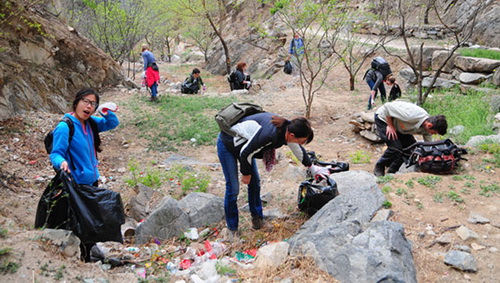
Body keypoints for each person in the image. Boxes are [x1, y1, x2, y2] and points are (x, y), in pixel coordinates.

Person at [217, 113, 330, 240]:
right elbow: (246, 153)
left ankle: (257, 219)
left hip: (245, 145)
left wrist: (312, 168)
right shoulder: (270, 135)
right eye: (302, 141)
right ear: (292, 135)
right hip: (228, 144)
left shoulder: (287, 130)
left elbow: (297, 148)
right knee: (233, 189)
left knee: (255, 183)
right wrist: (246, 174)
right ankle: (232, 229)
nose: (301, 144)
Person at [50, 88, 119, 261]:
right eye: (85, 101)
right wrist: (61, 162)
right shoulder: (66, 126)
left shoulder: (91, 123)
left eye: (93, 104)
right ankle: (81, 256)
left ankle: (89, 252)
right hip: (76, 184)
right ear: (76, 102)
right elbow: (55, 153)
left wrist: (106, 111)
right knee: (81, 221)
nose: (89, 106)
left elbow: (112, 123)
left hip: (91, 180)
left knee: (91, 220)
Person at [373, 101, 447, 176]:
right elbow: (387, 107)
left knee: (411, 149)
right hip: (384, 119)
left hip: (400, 126)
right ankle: (380, 166)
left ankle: (392, 171)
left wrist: (431, 156)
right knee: (395, 147)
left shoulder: (427, 127)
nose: (431, 134)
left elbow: (428, 145)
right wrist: (390, 125)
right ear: (429, 125)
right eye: (433, 132)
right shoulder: (410, 115)